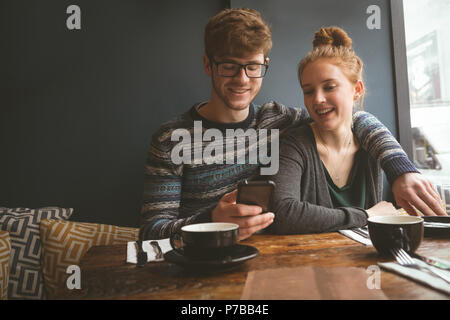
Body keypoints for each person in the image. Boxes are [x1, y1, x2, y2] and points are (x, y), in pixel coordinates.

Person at [139, 8, 446, 241]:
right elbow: (152, 231)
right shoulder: (171, 138)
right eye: (229, 65)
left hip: (269, 257)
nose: (242, 79)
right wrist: (212, 219)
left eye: (253, 66)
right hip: (199, 262)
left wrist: (400, 168)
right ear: (209, 65)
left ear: (265, 66)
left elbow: (350, 118)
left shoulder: (278, 121)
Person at [269, 26, 446, 235]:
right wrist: (367, 215)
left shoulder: (371, 144)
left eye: (329, 87)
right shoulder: (292, 144)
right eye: (309, 91)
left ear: (357, 90)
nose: (317, 99)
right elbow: (282, 213)